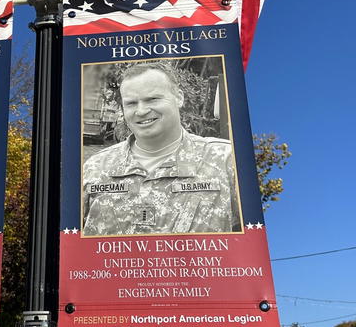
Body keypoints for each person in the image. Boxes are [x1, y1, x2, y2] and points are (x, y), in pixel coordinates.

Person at [82, 62, 240, 236]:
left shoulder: (226, 160)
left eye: (152, 99)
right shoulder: (95, 168)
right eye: (131, 103)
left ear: (179, 97)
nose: (141, 111)